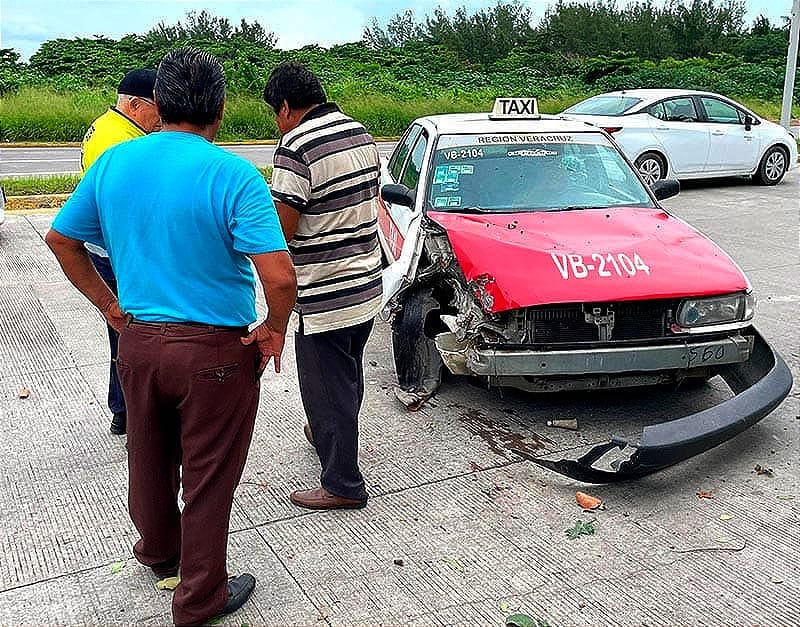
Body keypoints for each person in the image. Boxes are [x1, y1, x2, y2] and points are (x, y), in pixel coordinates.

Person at [45, 47, 297, 626]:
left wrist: (110, 306)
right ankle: (200, 597)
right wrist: (274, 329)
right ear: (221, 106)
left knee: (148, 454)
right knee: (208, 475)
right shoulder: (233, 173)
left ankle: (158, 552)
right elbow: (279, 276)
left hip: (137, 341)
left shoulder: (116, 163)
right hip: (213, 350)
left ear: (159, 102)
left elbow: (63, 239)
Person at [264, 61, 382, 511]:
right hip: (366, 282)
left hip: (325, 291)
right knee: (345, 374)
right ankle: (326, 432)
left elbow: (284, 229)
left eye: (277, 114)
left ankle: (342, 484)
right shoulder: (359, 131)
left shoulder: (295, 146)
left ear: (287, 107)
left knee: (325, 384)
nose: (278, 124)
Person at [81, 68, 161, 435]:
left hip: (107, 247)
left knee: (123, 333)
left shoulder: (108, 127)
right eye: (156, 107)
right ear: (133, 104)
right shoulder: (120, 142)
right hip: (117, 253)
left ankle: (124, 410)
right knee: (130, 332)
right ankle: (129, 411)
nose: (160, 117)